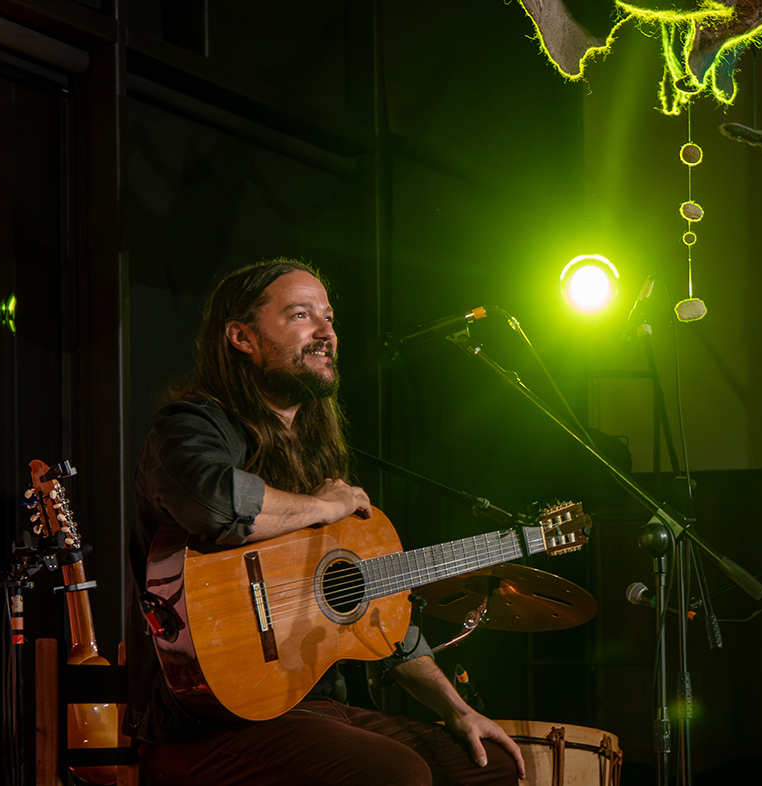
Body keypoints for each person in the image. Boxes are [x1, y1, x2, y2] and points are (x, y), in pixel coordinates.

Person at [125, 259, 524, 786]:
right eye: (300, 315)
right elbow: (213, 503)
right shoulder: (191, 427)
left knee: (492, 767)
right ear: (242, 337)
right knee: (396, 773)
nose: (325, 332)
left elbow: (381, 611)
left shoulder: (317, 454)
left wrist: (455, 708)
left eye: (328, 317)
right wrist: (322, 508)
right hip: (207, 725)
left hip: (314, 710)